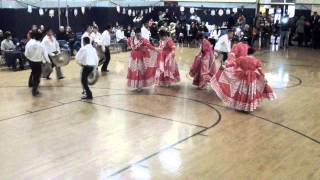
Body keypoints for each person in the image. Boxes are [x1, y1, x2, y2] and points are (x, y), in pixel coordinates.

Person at [210, 47, 276, 112]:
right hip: (252, 78)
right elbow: (260, 70)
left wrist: (224, 66)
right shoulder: (256, 61)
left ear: (247, 52)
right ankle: (248, 107)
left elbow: (233, 64)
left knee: (242, 90)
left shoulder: (241, 59)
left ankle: (240, 106)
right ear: (253, 53)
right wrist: (263, 77)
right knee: (250, 91)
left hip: (242, 76)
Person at [25, 32, 51, 96]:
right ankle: (34, 90)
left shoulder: (30, 43)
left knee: (33, 73)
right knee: (37, 77)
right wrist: (48, 61)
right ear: (40, 38)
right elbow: (45, 55)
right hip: (38, 63)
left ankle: (30, 84)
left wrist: (30, 58)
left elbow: (26, 53)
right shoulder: (41, 45)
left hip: (31, 62)